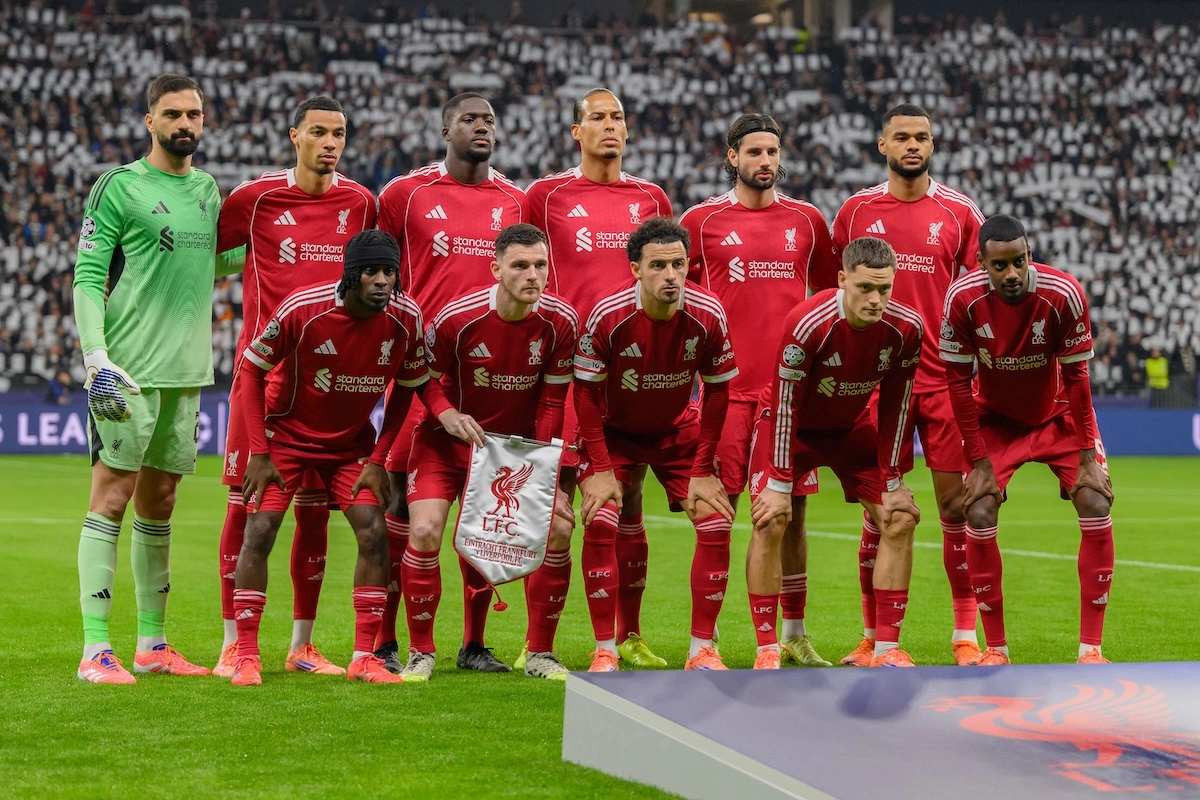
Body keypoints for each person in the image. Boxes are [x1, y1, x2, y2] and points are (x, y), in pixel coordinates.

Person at [213, 96, 377, 677]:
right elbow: (203, 253)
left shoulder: (360, 203)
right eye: (318, 132)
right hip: (262, 378)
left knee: (314, 513)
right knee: (246, 507)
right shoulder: (253, 200)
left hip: (331, 383)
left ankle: (303, 644)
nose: (330, 143)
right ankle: (234, 641)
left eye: (339, 133)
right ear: (294, 136)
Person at [228, 230, 429, 686]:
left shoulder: (406, 317)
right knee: (259, 529)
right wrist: (259, 452)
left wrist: (379, 458)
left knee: (375, 531)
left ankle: (364, 656)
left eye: (390, 272)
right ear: (351, 274)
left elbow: (407, 391)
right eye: (372, 272)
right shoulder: (304, 309)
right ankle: (246, 655)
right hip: (287, 438)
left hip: (351, 448)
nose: (382, 281)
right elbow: (250, 374)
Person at [72, 73, 221, 683]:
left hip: (187, 375)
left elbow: (223, 257)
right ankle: (95, 649)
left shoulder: (210, 191)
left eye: (194, 114)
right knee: (112, 497)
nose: (185, 124)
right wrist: (96, 358)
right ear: (149, 121)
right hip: (127, 373)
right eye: (173, 114)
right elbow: (87, 276)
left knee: (161, 503)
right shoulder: (120, 185)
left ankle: (152, 645)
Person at [374, 92, 529, 673]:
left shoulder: (517, 201)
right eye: (469, 119)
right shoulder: (404, 194)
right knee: (402, 511)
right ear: (444, 128)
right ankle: (388, 639)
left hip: (493, 383)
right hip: (420, 378)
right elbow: (379, 272)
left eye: (489, 119)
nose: (482, 127)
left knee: (483, 518)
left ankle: (475, 642)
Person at [680, 112, 838, 668]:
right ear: (732, 157)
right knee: (716, 516)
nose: (765, 162)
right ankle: (704, 644)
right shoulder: (701, 221)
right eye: (754, 153)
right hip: (728, 393)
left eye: (772, 152)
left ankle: (790, 635)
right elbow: (681, 299)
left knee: (791, 517)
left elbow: (827, 291)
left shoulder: (808, 221)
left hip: (791, 399)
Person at [831, 103, 987, 666]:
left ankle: (964, 636)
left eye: (921, 137)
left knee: (956, 507)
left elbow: (975, 297)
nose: (913, 146)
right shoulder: (855, 212)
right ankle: (873, 637)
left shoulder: (960, 213)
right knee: (879, 509)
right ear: (882, 145)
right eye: (902, 137)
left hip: (944, 380)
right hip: (877, 382)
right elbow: (839, 294)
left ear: (932, 143)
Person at [527, 88, 673, 668]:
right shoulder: (547, 196)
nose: (609, 127)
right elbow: (524, 267)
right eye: (597, 118)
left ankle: (626, 636)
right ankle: (537, 646)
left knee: (629, 504)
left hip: (630, 378)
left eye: (617, 118)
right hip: (566, 375)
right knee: (559, 513)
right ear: (576, 131)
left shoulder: (651, 197)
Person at [398, 224, 578, 681]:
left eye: (540, 265)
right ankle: (421, 652)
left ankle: (538, 652)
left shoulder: (560, 323)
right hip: (446, 445)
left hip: (510, 452)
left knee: (558, 528)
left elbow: (552, 404)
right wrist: (447, 415)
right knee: (423, 530)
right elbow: (425, 379)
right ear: (496, 268)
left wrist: (548, 483)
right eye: (520, 266)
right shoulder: (457, 319)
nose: (533, 275)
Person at [940, 214, 1114, 665]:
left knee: (1096, 501)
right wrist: (979, 463)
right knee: (976, 510)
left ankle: (1091, 650)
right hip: (995, 421)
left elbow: (1077, 377)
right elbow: (958, 385)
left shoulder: (1063, 293)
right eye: (1000, 266)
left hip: (1058, 414)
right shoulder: (962, 299)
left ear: (1030, 256)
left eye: (1019, 262)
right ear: (981, 263)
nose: (1012, 274)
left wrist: (1087, 454)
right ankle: (995, 649)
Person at [749, 237, 924, 668]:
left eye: (885, 289)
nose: (876, 299)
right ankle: (769, 647)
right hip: (791, 427)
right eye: (865, 288)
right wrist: (777, 484)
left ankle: (885, 650)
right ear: (843, 279)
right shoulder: (809, 323)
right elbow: (785, 403)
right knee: (773, 519)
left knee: (899, 517)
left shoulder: (906, 329)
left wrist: (895, 480)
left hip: (850, 427)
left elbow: (896, 405)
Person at [575, 217, 737, 672]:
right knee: (602, 520)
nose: (670, 275)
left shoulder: (708, 313)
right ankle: (606, 648)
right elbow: (585, 393)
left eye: (679, 265)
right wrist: (602, 469)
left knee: (716, 521)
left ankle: (702, 650)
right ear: (635, 270)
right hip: (614, 433)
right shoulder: (608, 314)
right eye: (659, 265)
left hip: (675, 432)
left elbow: (719, 389)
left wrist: (703, 470)